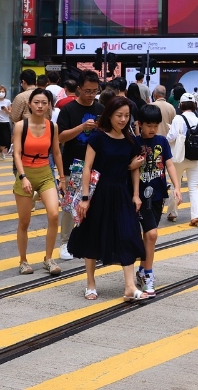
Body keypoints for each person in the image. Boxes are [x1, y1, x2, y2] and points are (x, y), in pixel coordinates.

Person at [68, 96, 147, 299]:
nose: (123, 119)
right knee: (93, 236)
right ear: (109, 115)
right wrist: (85, 197)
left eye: (127, 116)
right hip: (99, 194)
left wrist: (136, 195)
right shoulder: (97, 137)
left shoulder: (130, 141)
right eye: (119, 115)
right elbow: (87, 168)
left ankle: (129, 287)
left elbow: (135, 169)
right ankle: (90, 283)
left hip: (121, 193)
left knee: (128, 235)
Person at [11, 88, 64, 275]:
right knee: (24, 222)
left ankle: (48, 259)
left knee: (54, 215)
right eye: (36, 102)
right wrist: (23, 177)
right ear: (29, 104)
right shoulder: (20, 126)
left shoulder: (52, 126)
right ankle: (23, 261)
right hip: (25, 174)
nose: (40, 106)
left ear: (49, 105)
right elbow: (16, 153)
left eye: (44, 103)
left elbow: (56, 153)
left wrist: (62, 178)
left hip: (45, 174)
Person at [134, 104, 181, 297]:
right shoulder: (134, 142)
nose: (152, 129)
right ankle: (148, 275)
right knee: (152, 234)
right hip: (140, 196)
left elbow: (169, 165)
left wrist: (177, 187)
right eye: (149, 125)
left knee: (149, 235)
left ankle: (142, 270)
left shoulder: (161, 141)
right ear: (139, 124)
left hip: (158, 194)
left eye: (155, 125)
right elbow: (131, 168)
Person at [56, 72, 104, 260]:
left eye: (94, 91)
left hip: (96, 165)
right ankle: (65, 242)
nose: (91, 95)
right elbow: (60, 137)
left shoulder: (100, 108)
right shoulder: (68, 110)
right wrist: (81, 128)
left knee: (94, 204)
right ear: (79, 89)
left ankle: (89, 240)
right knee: (70, 205)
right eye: (87, 91)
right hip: (73, 164)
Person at [166, 93, 198, 226]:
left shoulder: (178, 118)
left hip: (179, 158)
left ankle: (173, 213)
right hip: (194, 158)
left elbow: (171, 137)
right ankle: (196, 215)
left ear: (181, 105)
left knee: (175, 184)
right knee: (193, 187)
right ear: (194, 105)